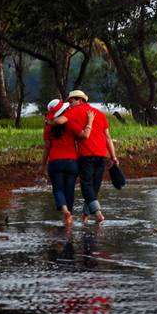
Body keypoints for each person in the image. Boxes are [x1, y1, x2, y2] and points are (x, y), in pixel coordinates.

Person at [49, 90, 119, 223]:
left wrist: (49, 122)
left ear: (79, 100)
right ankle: (85, 217)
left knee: (86, 185)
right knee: (94, 187)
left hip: (86, 155)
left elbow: (59, 121)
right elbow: (108, 138)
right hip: (101, 155)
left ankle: (98, 214)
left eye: (71, 101)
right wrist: (113, 156)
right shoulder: (100, 114)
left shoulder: (72, 112)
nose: (69, 105)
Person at [41, 99, 94, 226]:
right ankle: (69, 217)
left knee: (58, 189)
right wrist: (90, 121)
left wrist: (43, 165)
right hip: (72, 162)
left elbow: (47, 148)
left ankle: (65, 212)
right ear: (63, 111)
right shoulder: (70, 124)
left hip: (55, 162)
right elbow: (84, 136)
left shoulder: (48, 127)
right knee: (69, 190)